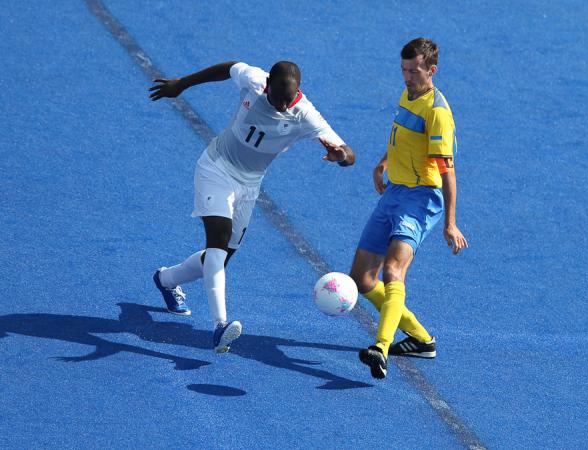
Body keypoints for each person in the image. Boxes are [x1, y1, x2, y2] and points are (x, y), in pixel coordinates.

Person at [148, 60, 355, 353]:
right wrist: (181, 83)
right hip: (217, 169)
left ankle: (166, 279)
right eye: (278, 99)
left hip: (249, 185)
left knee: (221, 257)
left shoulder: (305, 114)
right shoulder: (254, 80)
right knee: (218, 242)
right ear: (267, 85)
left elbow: (349, 154)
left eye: (288, 101)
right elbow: (227, 67)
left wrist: (341, 157)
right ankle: (221, 325)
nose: (283, 107)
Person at [350, 38, 467, 379]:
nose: (407, 77)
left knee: (392, 271)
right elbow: (403, 134)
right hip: (394, 193)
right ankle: (420, 339)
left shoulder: (437, 112)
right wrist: (383, 162)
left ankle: (380, 347)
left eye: (414, 71)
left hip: (421, 199)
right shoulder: (409, 94)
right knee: (361, 278)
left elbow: (448, 172)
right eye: (403, 70)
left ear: (432, 70)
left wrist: (450, 223)